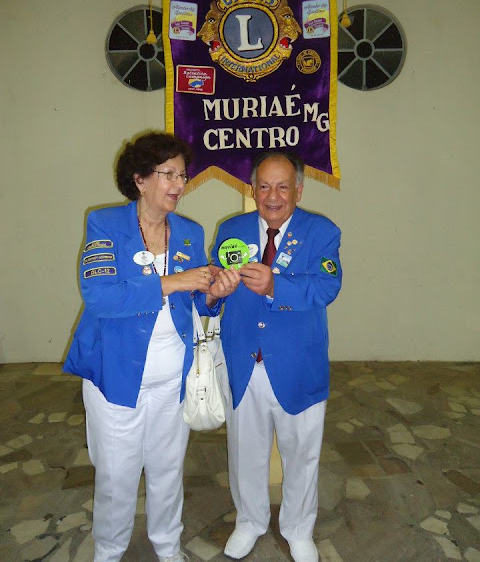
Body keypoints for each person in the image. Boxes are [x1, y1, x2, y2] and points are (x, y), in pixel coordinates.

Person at [64, 131, 224, 562]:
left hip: (173, 378)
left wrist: (213, 294)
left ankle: (168, 546)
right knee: (117, 475)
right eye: (168, 174)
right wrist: (173, 282)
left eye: (183, 175)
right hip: (116, 376)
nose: (179, 184)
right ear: (139, 179)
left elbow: (197, 301)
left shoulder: (189, 232)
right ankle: (109, 550)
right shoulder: (106, 224)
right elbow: (101, 297)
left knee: (168, 469)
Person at [210, 151, 342, 562]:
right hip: (244, 361)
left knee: (302, 453)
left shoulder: (322, 232)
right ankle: (249, 521)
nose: (272, 196)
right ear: (253, 189)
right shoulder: (231, 230)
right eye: (264, 186)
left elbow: (326, 287)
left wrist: (275, 287)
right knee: (244, 452)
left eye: (283, 186)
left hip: (298, 364)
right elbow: (213, 289)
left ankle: (298, 529)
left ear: (298, 190)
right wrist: (213, 294)